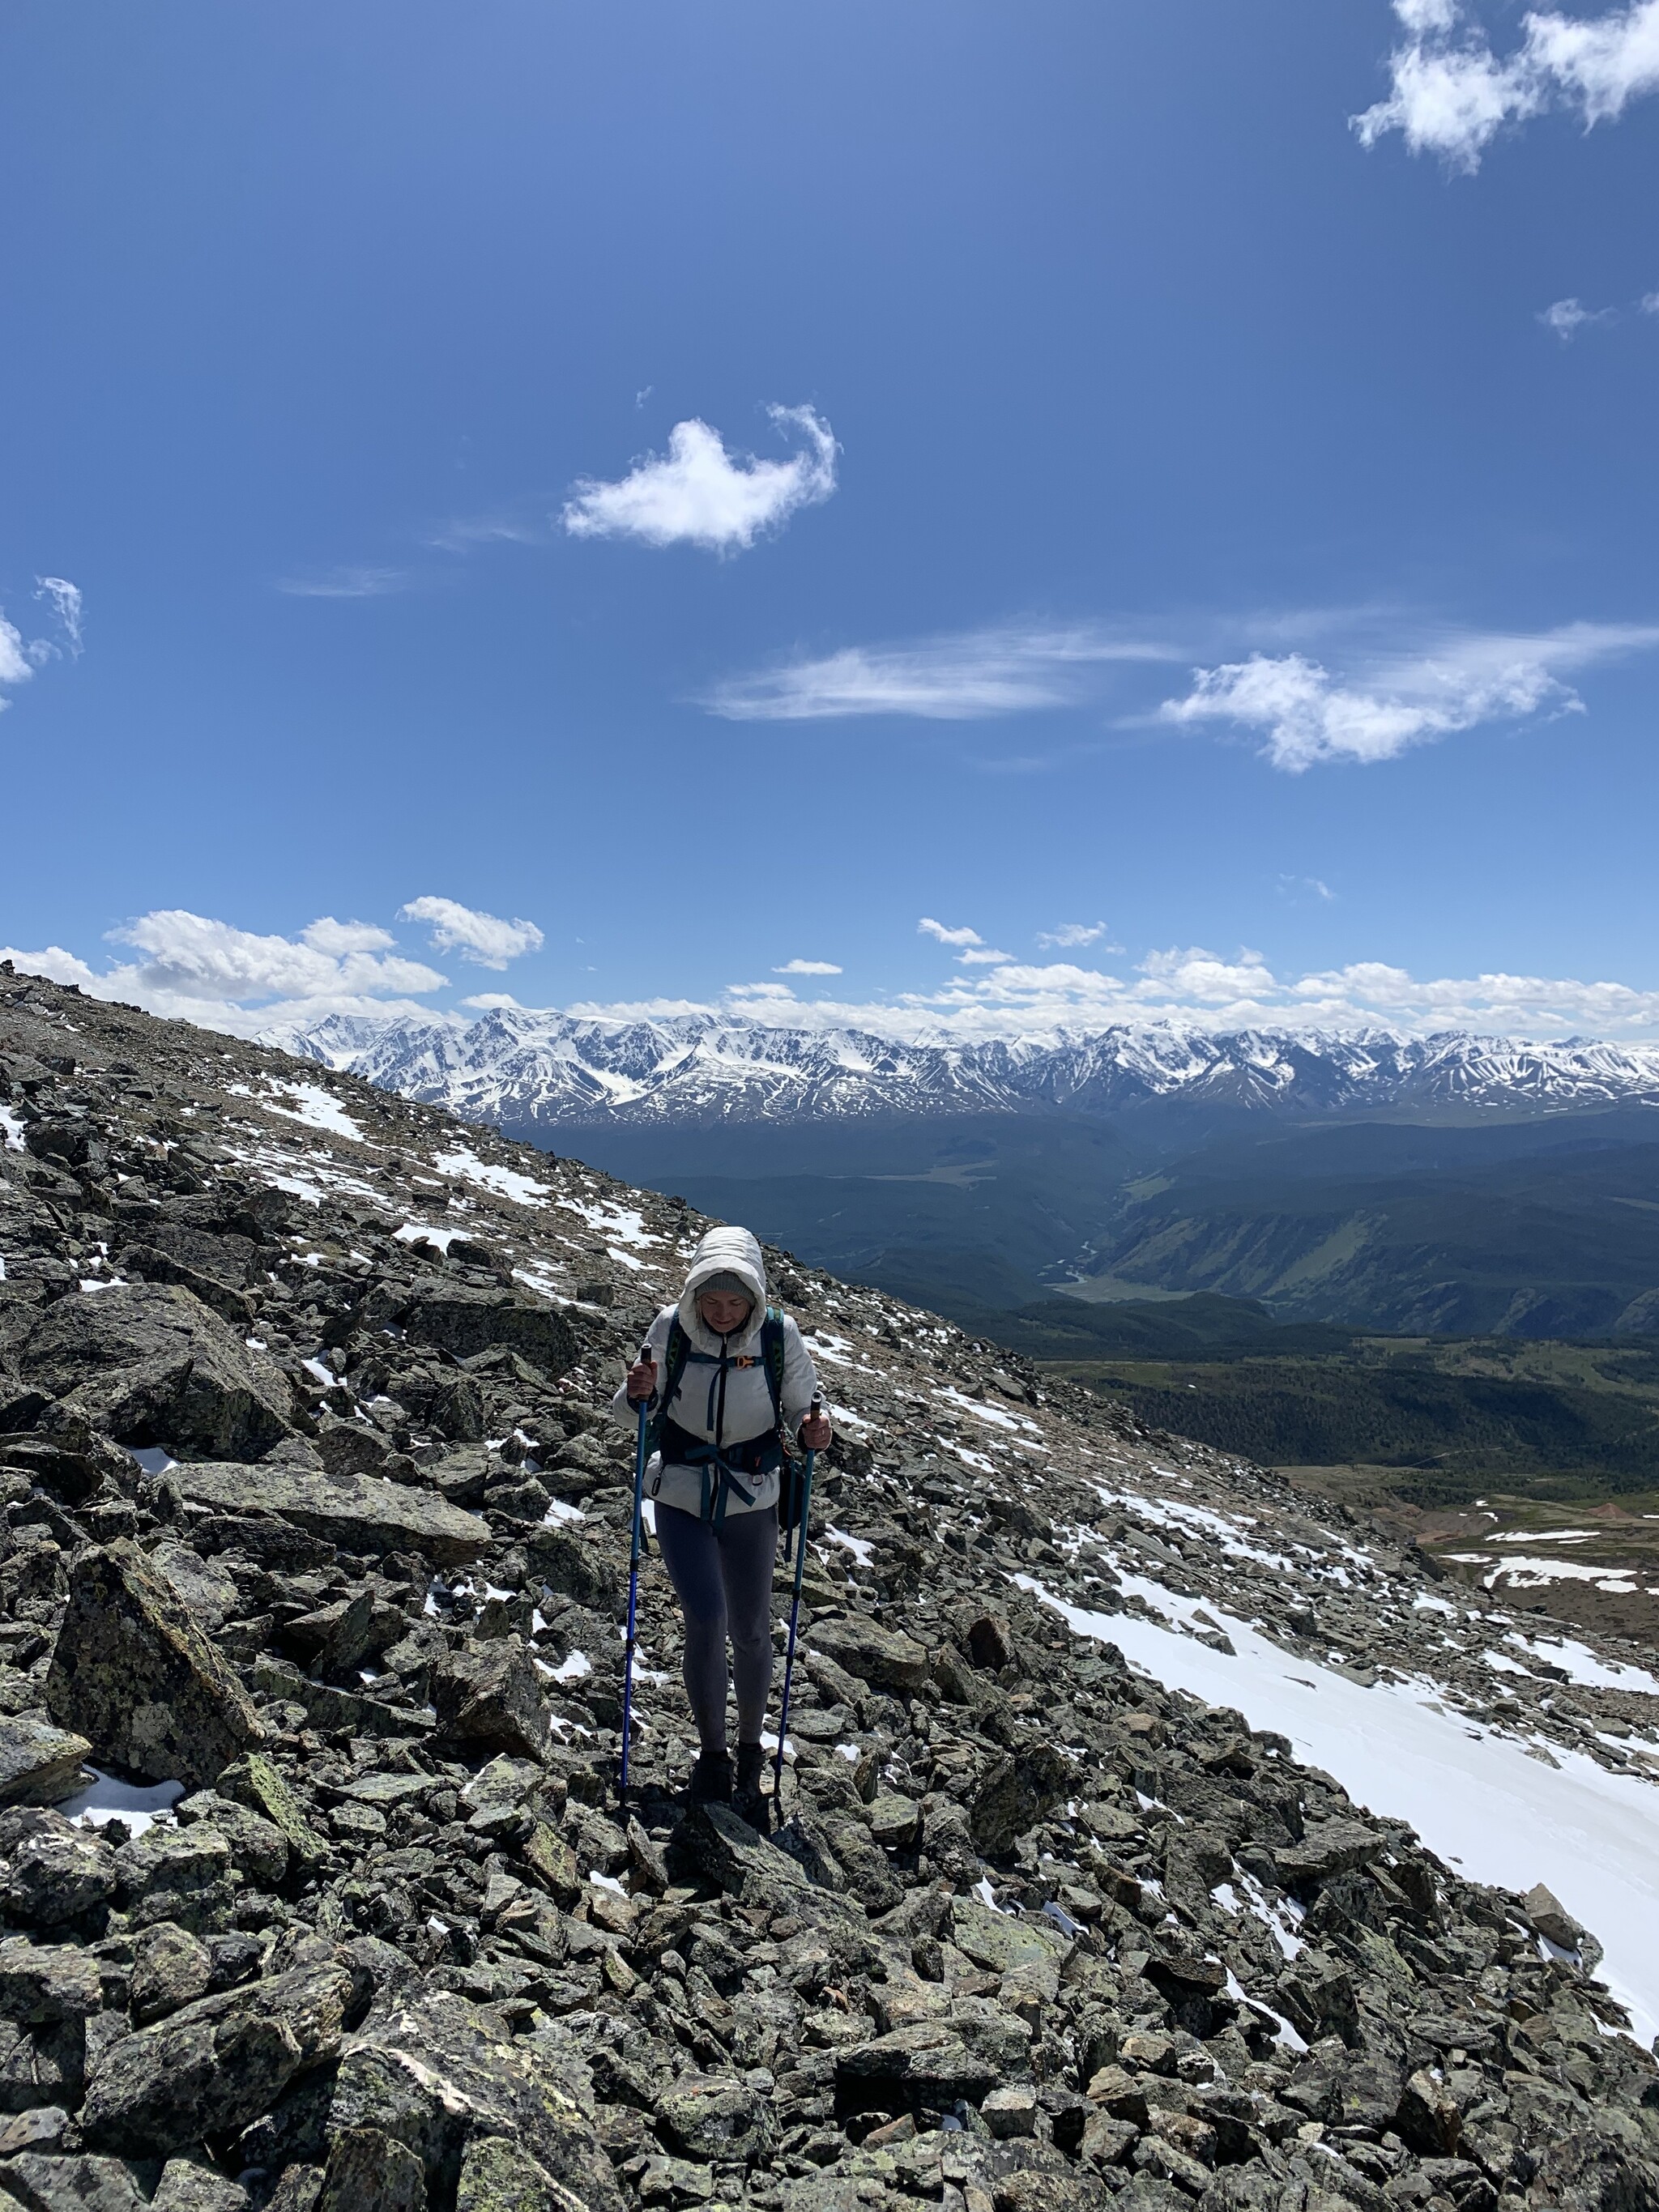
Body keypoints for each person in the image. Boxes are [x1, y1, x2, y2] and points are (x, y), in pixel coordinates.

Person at [616, 1225, 831, 1824]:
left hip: (752, 1499)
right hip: (681, 1494)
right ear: (694, 1293)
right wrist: (637, 1394)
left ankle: (750, 1750)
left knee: (753, 1629)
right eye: (711, 1300)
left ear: (754, 1296)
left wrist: (816, 1431)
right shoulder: (670, 1329)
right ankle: (714, 1755)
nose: (722, 1312)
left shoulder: (778, 1335)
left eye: (735, 1301)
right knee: (707, 1620)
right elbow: (631, 1413)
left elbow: (804, 1408)